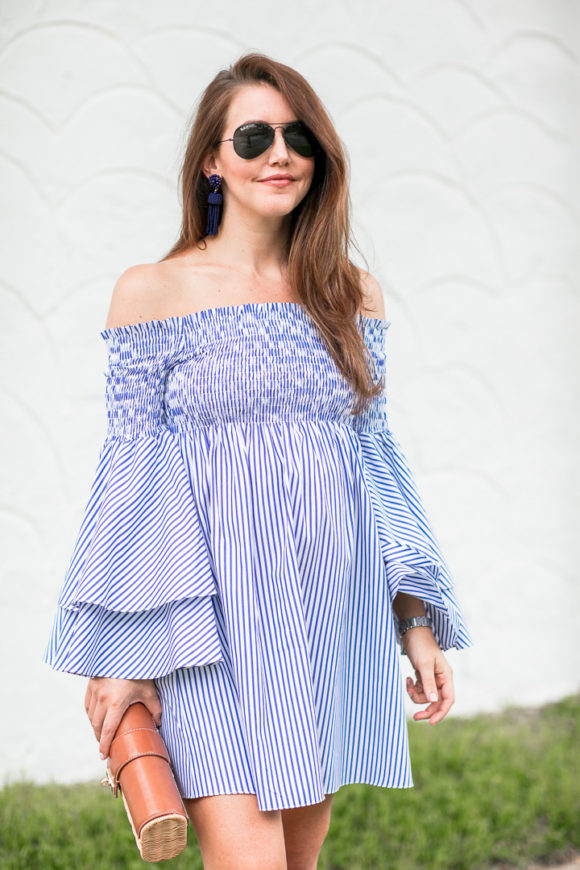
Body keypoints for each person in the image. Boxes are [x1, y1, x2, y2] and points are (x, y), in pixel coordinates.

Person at [44, 51, 474, 870]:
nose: (280, 154)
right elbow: (130, 483)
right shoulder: (153, 290)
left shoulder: (350, 293)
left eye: (299, 135)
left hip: (325, 619)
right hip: (208, 630)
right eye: (253, 136)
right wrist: (122, 657)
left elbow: (375, 459)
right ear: (212, 158)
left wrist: (414, 621)